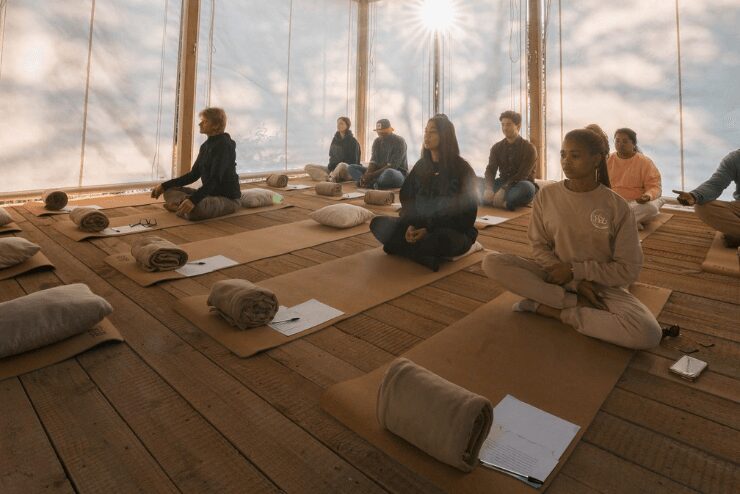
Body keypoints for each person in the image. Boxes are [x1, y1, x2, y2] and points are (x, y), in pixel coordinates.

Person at [482, 129, 662, 350]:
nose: (566, 161)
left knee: (648, 333)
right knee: (492, 262)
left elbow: (629, 269)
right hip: (556, 276)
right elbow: (539, 247)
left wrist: (578, 272)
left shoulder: (616, 206)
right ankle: (572, 303)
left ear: (596, 160)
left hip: (601, 288)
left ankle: (554, 310)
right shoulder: (547, 196)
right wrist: (570, 280)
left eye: (575, 155)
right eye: (563, 154)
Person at [369, 114, 478, 272]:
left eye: (432, 132)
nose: (427, 135)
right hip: (418, 225)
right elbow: (407, 200)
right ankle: (422, 255)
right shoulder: (421, 166)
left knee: (440, 240)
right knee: (378, 224)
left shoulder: (462, 170)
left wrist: (429, 230)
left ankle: (405, 249)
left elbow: (466, 217)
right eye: (426, 131)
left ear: (445, 136)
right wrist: (410, 225)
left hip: (448, 230)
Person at [151, 107, 240, 220]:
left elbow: (215, 179)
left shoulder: (224, 145)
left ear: (216, 125)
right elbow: (193, 175)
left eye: (205, 121)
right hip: (208, 194)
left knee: (197, 208)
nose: (200, 124)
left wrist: (193, 200)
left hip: (228, 199)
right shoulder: (205, 146)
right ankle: (184, 206)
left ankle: (184, 205)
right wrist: (164, 185)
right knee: (168, 191)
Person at [674, 149, 740, 247]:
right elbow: (715, 184)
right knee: (702, 206)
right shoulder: (735, 158)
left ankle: (736, 234)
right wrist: (694, 195)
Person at [607, 128, 664, 227]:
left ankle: (620, 222)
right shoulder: (608, 160)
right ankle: (631, 222)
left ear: (633, 144)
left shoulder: (645, 162)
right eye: (617, 141)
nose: (620, 144)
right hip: (614, 203)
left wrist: (648, 196)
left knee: (651, 208)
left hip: (636, 204)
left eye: (625, 141)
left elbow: (655, 186)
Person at [482, 110, 537, 210]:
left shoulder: (529, 148)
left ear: (518, 126)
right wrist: (489, 188)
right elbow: (490, 170)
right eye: (503, 125)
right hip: (502, 182)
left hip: (520, 184)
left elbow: (522, 175)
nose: (504, 128)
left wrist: (504, 189)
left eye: (508, 125)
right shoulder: (496, 147)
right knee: (476, 184)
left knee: (527, 189)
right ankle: (505, 203)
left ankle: (494, 201)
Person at [333, 119, 407, 189]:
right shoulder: (377, 141)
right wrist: (367, 174)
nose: (381, 135)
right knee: (351, 168)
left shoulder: (399, 141)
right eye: (379, 132)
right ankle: (371, 183)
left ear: (390, 130)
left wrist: (371, 176)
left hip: (397, 173)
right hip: (377, 173)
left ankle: (369, 183)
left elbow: (392, 166)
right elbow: (373, 162)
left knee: (389, 173)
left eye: (384, 132)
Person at [304, 117, 361, 181]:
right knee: (308, 167)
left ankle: (331, 177)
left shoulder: (353, 141)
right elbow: (331, 156)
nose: (338, 125)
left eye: (341, 123)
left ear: (347, 125)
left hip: (346, 170)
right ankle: (328, 178)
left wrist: (338, 167)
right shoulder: (335, 140)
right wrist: (332, 168)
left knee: (342, 165)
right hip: (333, 169)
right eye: (338, 123)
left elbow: (353, 162)